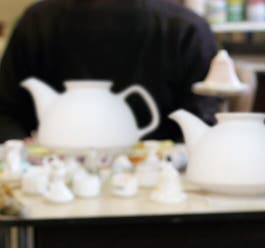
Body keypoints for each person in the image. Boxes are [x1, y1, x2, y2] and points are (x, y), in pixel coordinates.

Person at [0, 0, 218, 143]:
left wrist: (19, 155)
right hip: (163, 182)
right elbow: (201, 122)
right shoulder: (188, 28)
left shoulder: (39, 20)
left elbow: (6, 111)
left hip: (51, 180)